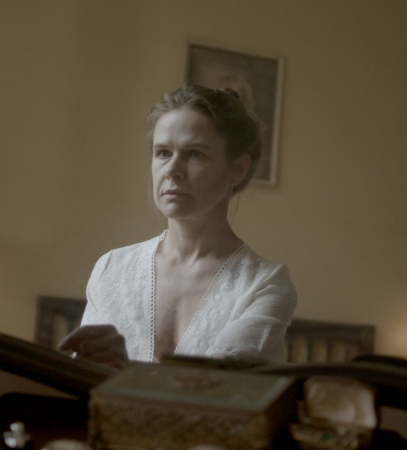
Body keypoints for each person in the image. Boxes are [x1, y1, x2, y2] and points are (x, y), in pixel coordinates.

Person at [58, 85, 297, 370]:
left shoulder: (265, 284)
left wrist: (124, 369)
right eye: (162, 153)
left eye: (194, 154)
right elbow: (80, 378)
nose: (172, 170)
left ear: (237, 168)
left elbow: (220, 384)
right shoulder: (111, 269)